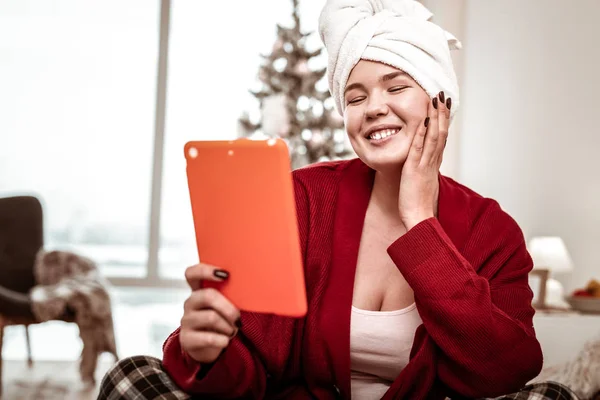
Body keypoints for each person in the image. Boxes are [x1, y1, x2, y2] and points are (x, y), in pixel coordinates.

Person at [98, 0, 580, 399]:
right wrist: (209, 351)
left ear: (439, 101)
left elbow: (505, 370)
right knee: (131, 377)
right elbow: (253, 373)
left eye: (396, 86)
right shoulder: (303, 198)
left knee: (552, 398)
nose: (373, 108)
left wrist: (419, 220)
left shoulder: (490, 229)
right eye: (354, 97)